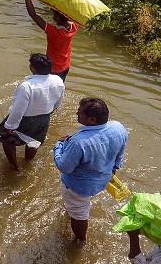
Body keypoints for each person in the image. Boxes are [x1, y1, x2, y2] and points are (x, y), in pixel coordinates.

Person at [53, 97, 128, 242]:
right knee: (78, 208)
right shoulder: (118, 128)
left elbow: (64, 167)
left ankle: (80, 240)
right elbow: (120, 153)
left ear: (91, 119)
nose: (76, 113)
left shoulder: (79, 142)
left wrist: (59, 146)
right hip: (103, 179)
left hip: (79, 187)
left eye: (80, 112)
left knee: (79, 214)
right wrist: (114, 169)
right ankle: (74, 215)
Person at [0, 53, 64, 171]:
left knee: (6, 137)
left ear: (32, 68)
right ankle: (28, 162)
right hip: (44, 118)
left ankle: (14, 166)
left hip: (26, 119)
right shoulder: (58, 80)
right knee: (34, 140)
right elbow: (58, 103)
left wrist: (10, 126)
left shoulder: (26, 86)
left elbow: (18, 110)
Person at [22, 0, 79, 81]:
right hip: (65, 65)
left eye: (54, 14)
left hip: (53, 67)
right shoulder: (74, 26)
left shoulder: (55, 32)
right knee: (58, 86)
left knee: (48, 88)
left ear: (56, 18)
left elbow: (34, 15)